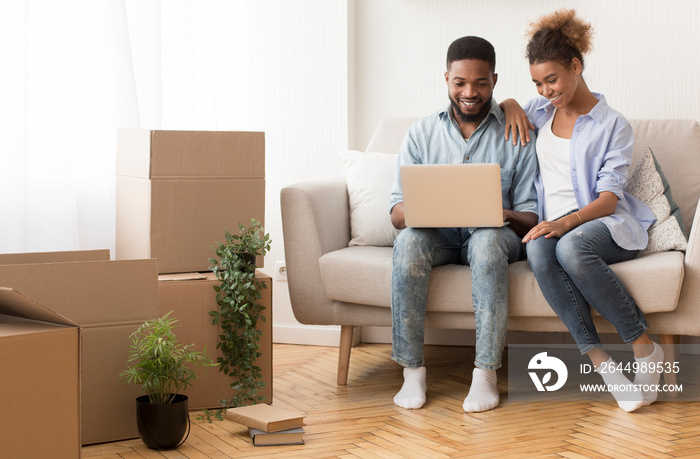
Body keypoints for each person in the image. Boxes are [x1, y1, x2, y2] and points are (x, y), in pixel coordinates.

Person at [504, 9, 664, 412]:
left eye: (552, 79)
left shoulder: (613, 124)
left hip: (603, 224)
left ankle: (644, 348)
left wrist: (564, 223)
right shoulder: (539, 112)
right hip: (553, 228)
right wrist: (507, 102)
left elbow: (609, 199)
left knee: (569, 248)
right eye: (537, 83)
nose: (545, 91)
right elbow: (498, 112)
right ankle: (602, 364)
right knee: (540, 248)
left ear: (576, 66)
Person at [389, 36, 538, 413]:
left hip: (491, 234)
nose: (469, 92)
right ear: (446, 79)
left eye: (481, 83)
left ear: (495, 80)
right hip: (436, 236)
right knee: (408, 242)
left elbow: (531, 217)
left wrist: (500, 213)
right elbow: (395, 213)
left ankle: (485, 373)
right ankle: (412, 371)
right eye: (460, 83)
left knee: (488, 242)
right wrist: (424, 208)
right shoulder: (421, 134)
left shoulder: (516, 132)